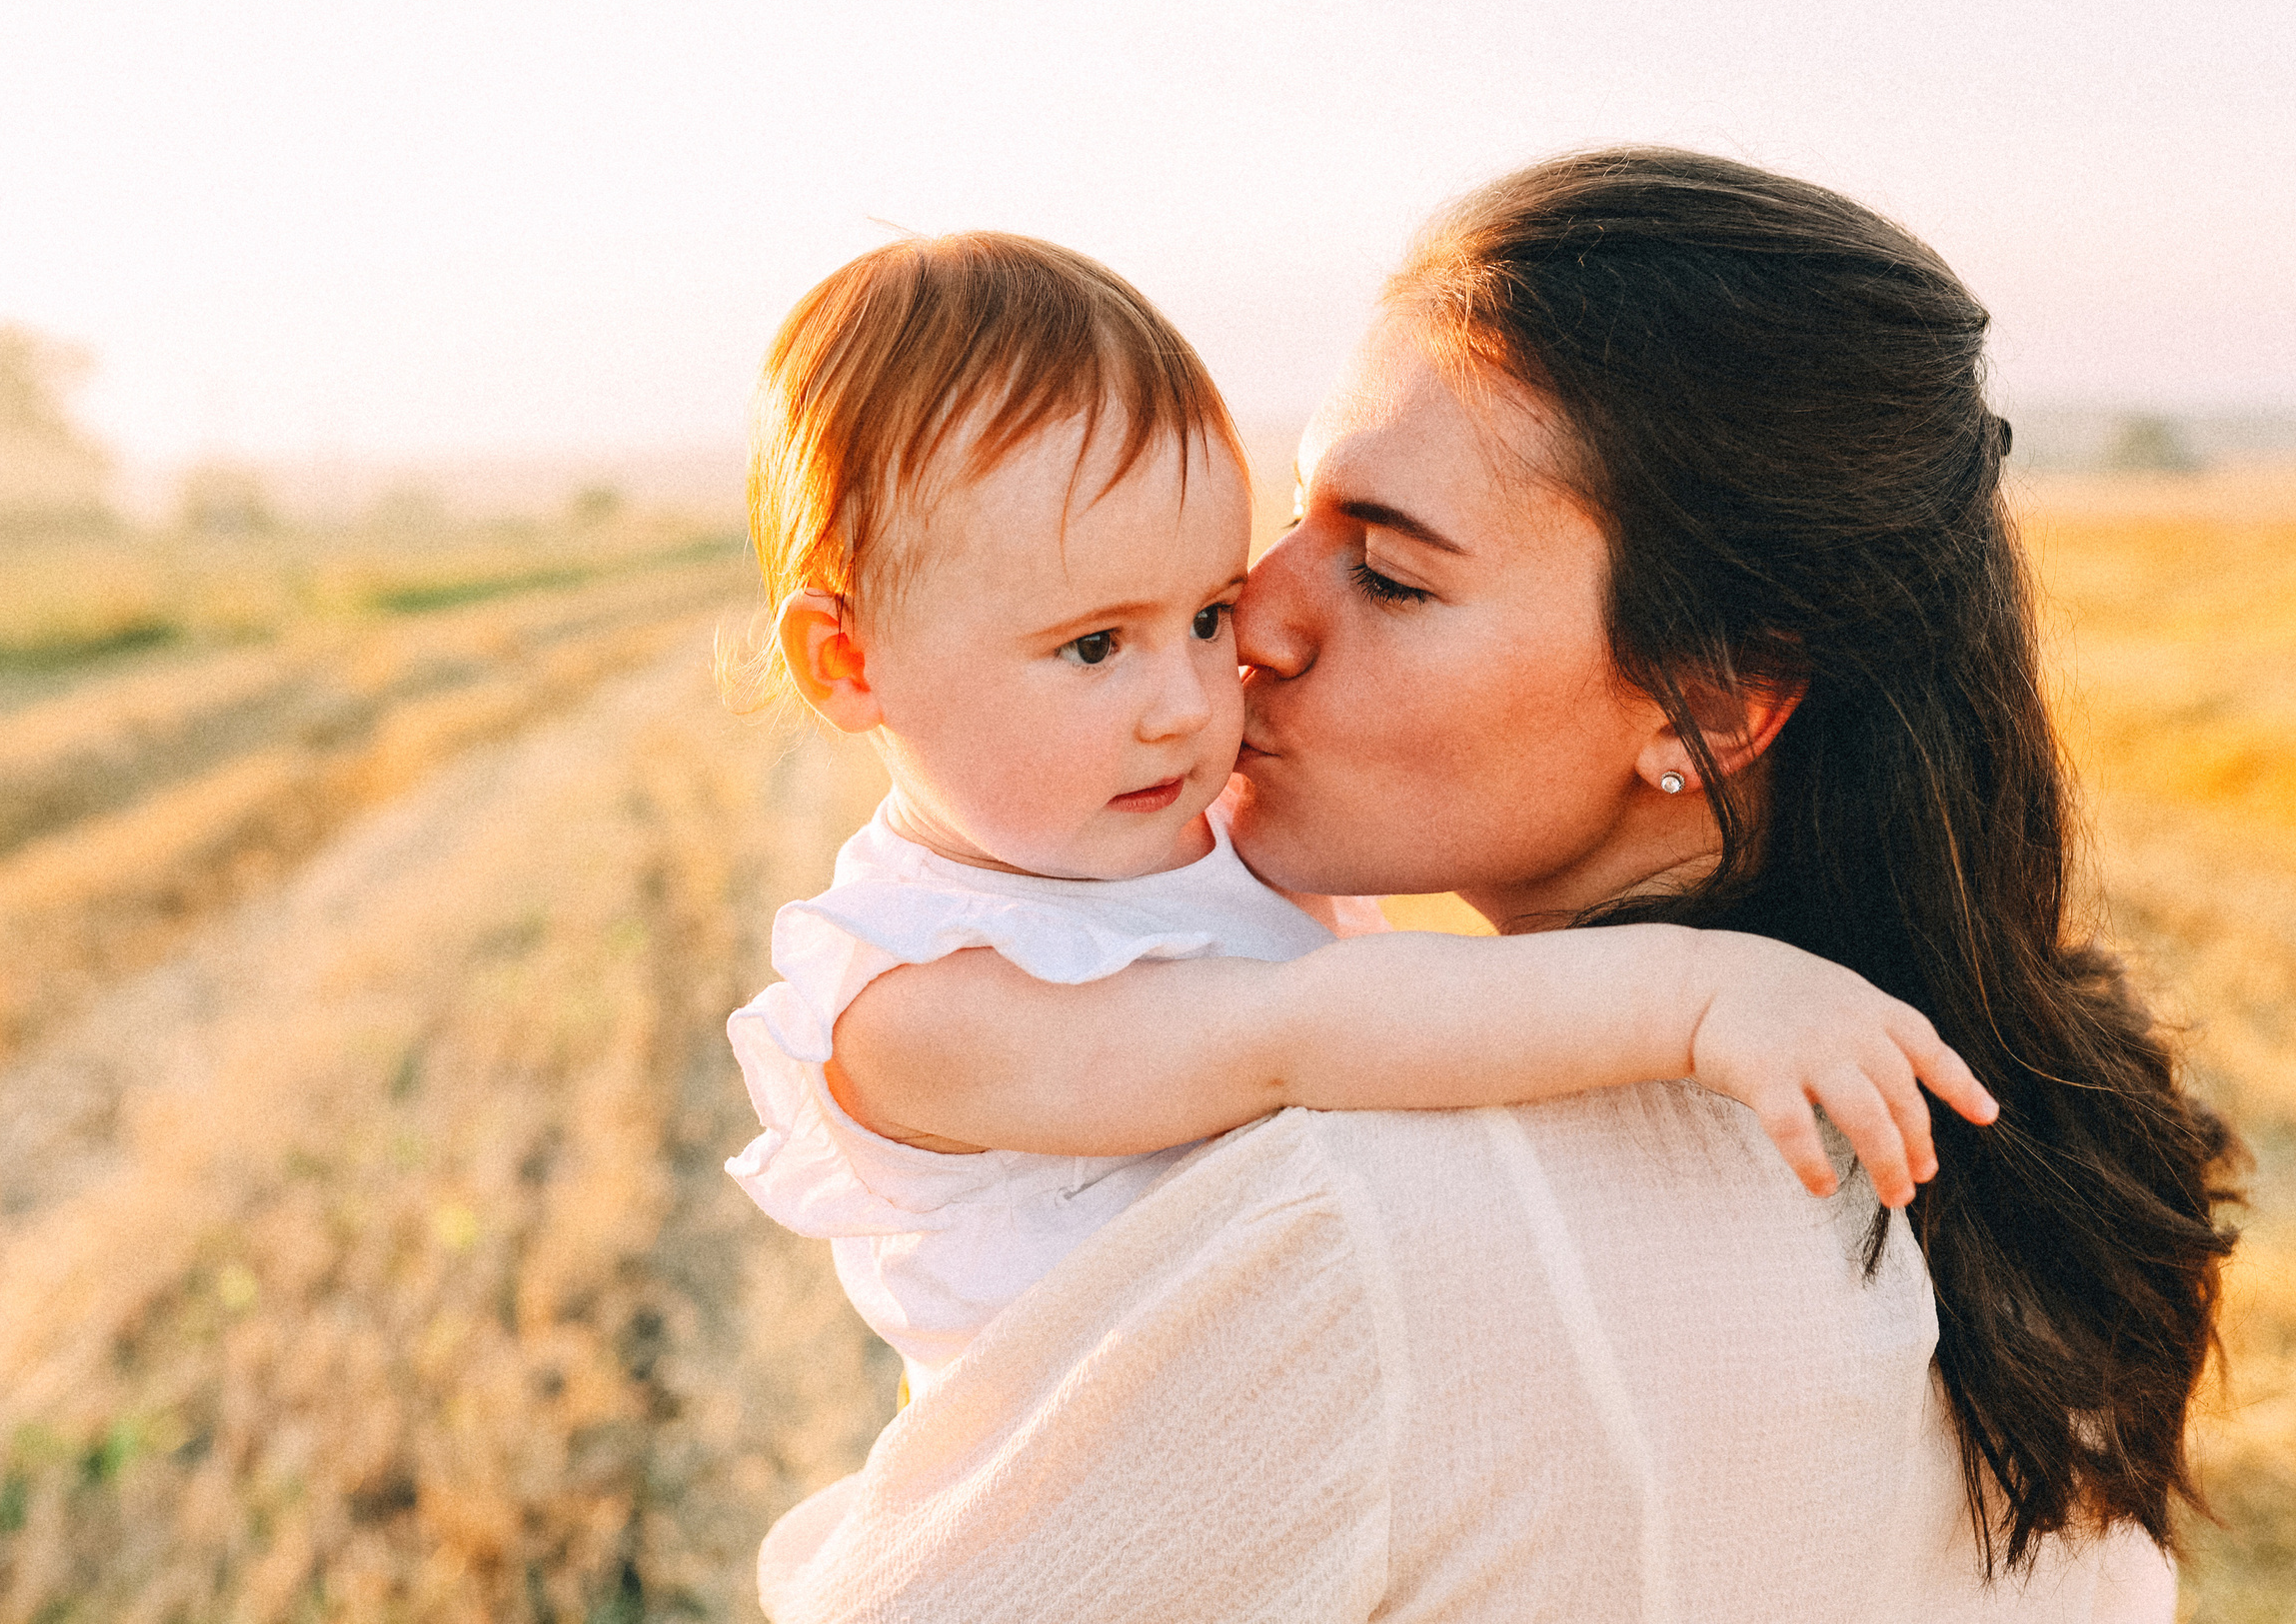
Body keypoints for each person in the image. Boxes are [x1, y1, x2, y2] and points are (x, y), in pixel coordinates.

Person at [754, 152, 2239, 1621]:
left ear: (1710, 701)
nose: (1252, 622)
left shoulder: (1358, 1236)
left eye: (1390, 576)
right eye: (1295, 517)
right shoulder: (2050, 1162)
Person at [723, 230, 1992, 1403]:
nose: (1190, 699)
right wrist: (1697, 997)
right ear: (848, 663)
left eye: (1205, 612)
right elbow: (1297, 1034)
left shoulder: (1187, 840)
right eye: (1094, 644)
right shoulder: (910, 1007)